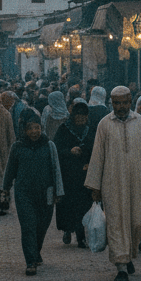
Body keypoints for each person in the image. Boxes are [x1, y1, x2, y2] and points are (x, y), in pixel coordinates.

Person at [85, 86, 141, 281]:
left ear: (130, 102)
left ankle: (128, 255)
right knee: (116, 222)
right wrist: (95, 186)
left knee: (136, 223)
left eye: (124, 103)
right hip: (111, 181)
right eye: (116, 103)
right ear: (111, 103)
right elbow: (97, 155)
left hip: (138, 180)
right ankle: (121, 266)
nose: (120, 107)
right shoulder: (104, 124)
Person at [2, 112, 64, 275]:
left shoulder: (49, 145)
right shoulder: (18, 146)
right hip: (24, 194)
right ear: (25, 130)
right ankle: (30, 262)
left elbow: (56, 169)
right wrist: (6, 188)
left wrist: (58, 191)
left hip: (46, 194)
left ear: (41, 128)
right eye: (31, 128)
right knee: (28, 226)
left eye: (37, 128)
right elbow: (10, 169)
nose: (34, 132)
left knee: (41, 226)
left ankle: (36, 252)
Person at [54, 100, 93, 247]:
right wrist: (69, 152)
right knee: (68, 205)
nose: (81, 120)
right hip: (68, 175)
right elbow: (56, 148)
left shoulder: (89, 130)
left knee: (82, 205)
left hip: (84, 174)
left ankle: (81, 237)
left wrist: (90, 163)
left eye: (84, 117)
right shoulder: (64, 129)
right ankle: (67, 230)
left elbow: (94, 148)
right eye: (79, 117)